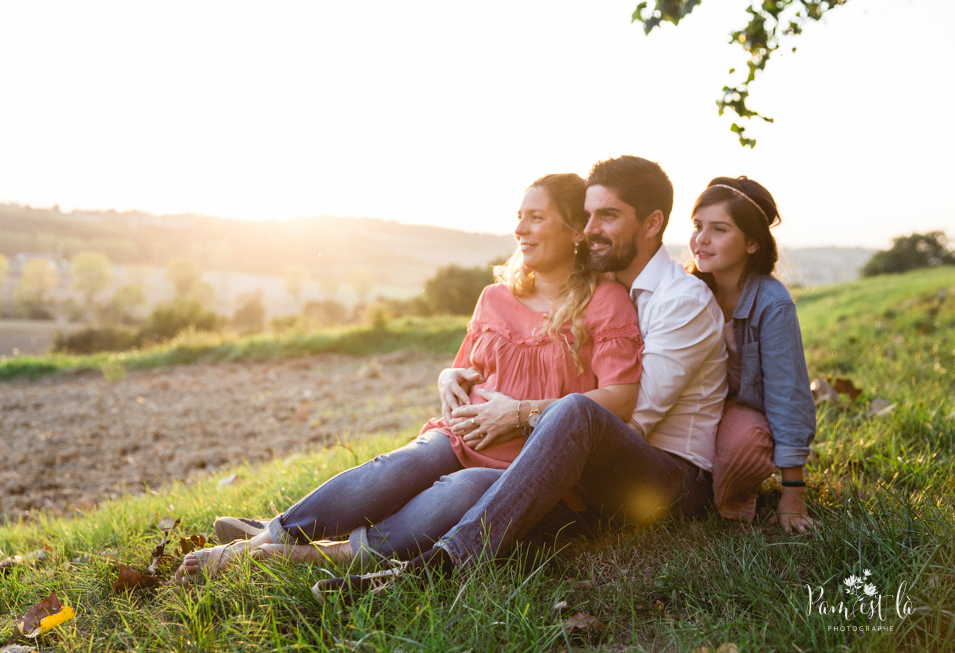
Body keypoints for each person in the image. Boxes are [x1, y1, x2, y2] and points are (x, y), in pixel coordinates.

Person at [175, 172, 644, 580]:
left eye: (536, 217)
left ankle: (315, 555)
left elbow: (619, 398)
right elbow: (468, 368)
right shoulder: (494, 298)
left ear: (575, 231)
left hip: (524, 466)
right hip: (462, 437)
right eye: (519, 215)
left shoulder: (605, 302)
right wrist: (448, 377)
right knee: (397, 467)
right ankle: (259, 543)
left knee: (453, 494)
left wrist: (520, 415)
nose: (520, 228)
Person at [313, 155, 729, 600]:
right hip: (600, 470)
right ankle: (297, 539)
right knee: (454, 471)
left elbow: (630, 418)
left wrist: (519, 418)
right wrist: (451, 376)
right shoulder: (604, 285)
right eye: (586, 216)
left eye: (607, 216)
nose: (589, 229)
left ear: (651, 224)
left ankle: (437, 565)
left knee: (574, 414)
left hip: (669, 479)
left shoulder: (681, 300)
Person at [687, 176, 816, 532]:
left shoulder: (773, 304)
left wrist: (793, 491)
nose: (702, 239)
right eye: (698, 226)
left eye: (719, 229)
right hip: (691, 405)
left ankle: (726, 498)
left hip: (742, 409)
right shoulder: (685, 291)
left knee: (741, 448)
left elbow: (787, 395)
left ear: (752, 243)